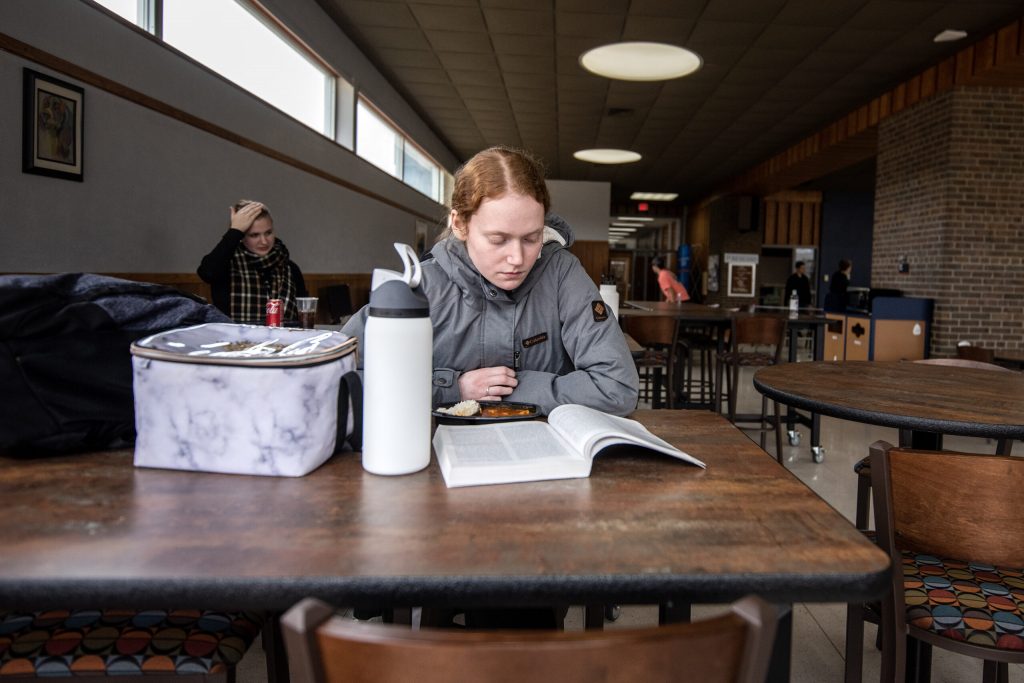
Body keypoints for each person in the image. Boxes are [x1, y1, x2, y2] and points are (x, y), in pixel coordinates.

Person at [343, 146, 639, 418]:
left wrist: (508, 391)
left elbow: (616, 387)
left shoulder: (563, 273)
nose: (517, 258)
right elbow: (338, 379)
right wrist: (451, 388)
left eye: (531, 238)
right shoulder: (422, 286)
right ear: (459, 224)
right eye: (498, 239)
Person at [197, 199, 308, 324]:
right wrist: (235, 231)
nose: (264, 241)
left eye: (268, 233)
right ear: (241, 236)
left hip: (284, 341)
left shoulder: (290, 268)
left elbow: (303, 314)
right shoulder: (227, 264)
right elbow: (207, 272)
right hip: (235, 341)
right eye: (254, 235)